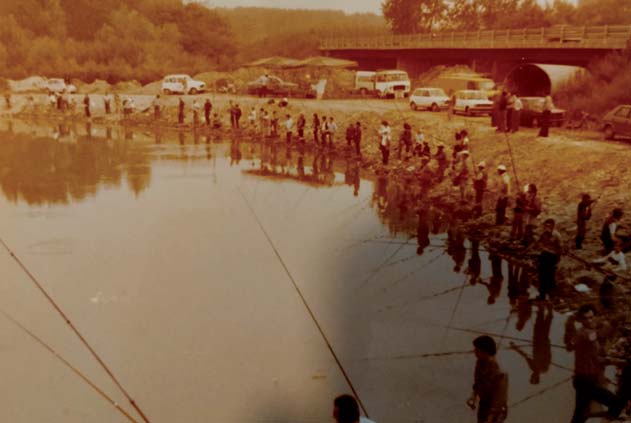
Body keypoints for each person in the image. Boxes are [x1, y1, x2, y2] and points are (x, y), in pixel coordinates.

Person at [570, 304, 625, 423]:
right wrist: (615, 320)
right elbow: (600, 337)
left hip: (583, 380)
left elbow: (597, 353)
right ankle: (605, 418)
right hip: (586, 381)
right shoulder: (585, 334)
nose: (589, 320)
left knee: (579, 416)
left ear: (595, 316)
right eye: (586, 318)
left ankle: (593, 415)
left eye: (591, 317)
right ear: (580, 320)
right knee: (617, 404)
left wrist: (611, 360)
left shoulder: (588, 332)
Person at [467, 336, 508, 423]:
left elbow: (499, 399)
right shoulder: (480, 363)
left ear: (485, 352)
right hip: (484, 403)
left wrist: (491, 418)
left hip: (496, 409)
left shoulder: (499, 373)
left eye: (477, 350)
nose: (475, 352)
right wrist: (473, 396)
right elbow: (477, 383)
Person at [532, 218, 563, 301]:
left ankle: (552, 295)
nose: (547, 226)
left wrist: (558, 259)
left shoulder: (557, 235)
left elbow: (560, 248)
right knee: (542, 275)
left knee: (550, 276)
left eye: (549, 225)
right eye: (546, 225)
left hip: (552, 257)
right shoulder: (544, 234)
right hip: (544, 256)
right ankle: (542, 294)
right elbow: (538, 243)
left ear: (553, 225)